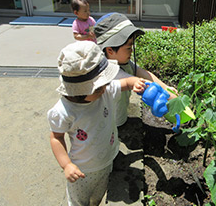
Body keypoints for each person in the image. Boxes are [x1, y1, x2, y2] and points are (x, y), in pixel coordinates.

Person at [47, 41, 146, 206]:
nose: (107, 87)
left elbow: (125, 83)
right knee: (79, 201)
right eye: (100, 86)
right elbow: (56, 137)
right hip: (82, 170)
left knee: (97, 197)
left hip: (107, 160)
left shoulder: (103, 91)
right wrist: (66, 165)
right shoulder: (64, 111)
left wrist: (134, 82)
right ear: (80, 91)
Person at [94, 13, 177, 127]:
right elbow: (143, 83)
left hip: (119, 113)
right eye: (128, 47)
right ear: (110, 50)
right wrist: (169, 96)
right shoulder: (110, 71)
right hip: (112, 122)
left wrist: (165, 87)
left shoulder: (122, 61)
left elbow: (142, 72)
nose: (132, 50)